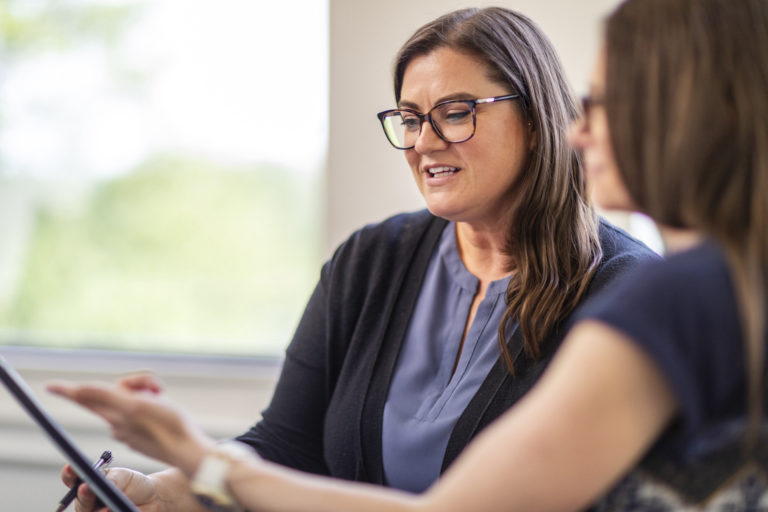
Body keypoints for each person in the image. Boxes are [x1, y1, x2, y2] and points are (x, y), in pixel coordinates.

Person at [51, 6, 660, 512]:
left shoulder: (624, 293)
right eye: (410, 118)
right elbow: (286, 445)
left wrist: (201, 458)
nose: (424, 142)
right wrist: (162, 494)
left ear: (534, 120)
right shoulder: (372, 261)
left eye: (454, 112)